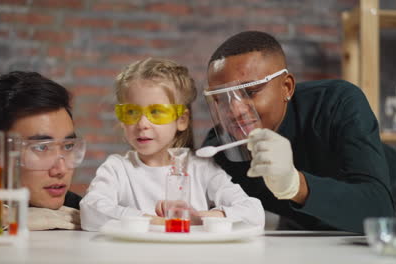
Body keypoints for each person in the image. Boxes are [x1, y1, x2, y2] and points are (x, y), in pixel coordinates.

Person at [202, 31, 396, 233]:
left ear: (287, 87)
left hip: (389, 204)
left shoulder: (337, 103)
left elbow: (378, 210)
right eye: (221, 99)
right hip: (303, 220)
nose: (235, 110)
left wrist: (296, 185)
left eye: (250, 92)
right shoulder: (218, 152)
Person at [80, 58, 264, 231]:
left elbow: (254, 213)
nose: (142, 124)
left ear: (181, 120)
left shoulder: (202, 169)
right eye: (131, 112)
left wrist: (199, 218)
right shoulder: (118, 169)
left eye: (157, 112)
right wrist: (156, 221)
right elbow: (90, 211)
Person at [0, 71, 85, 230]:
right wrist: (6, 217)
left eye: (68, 146)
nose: (61, 170)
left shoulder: (83, 214)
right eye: (41, 147)